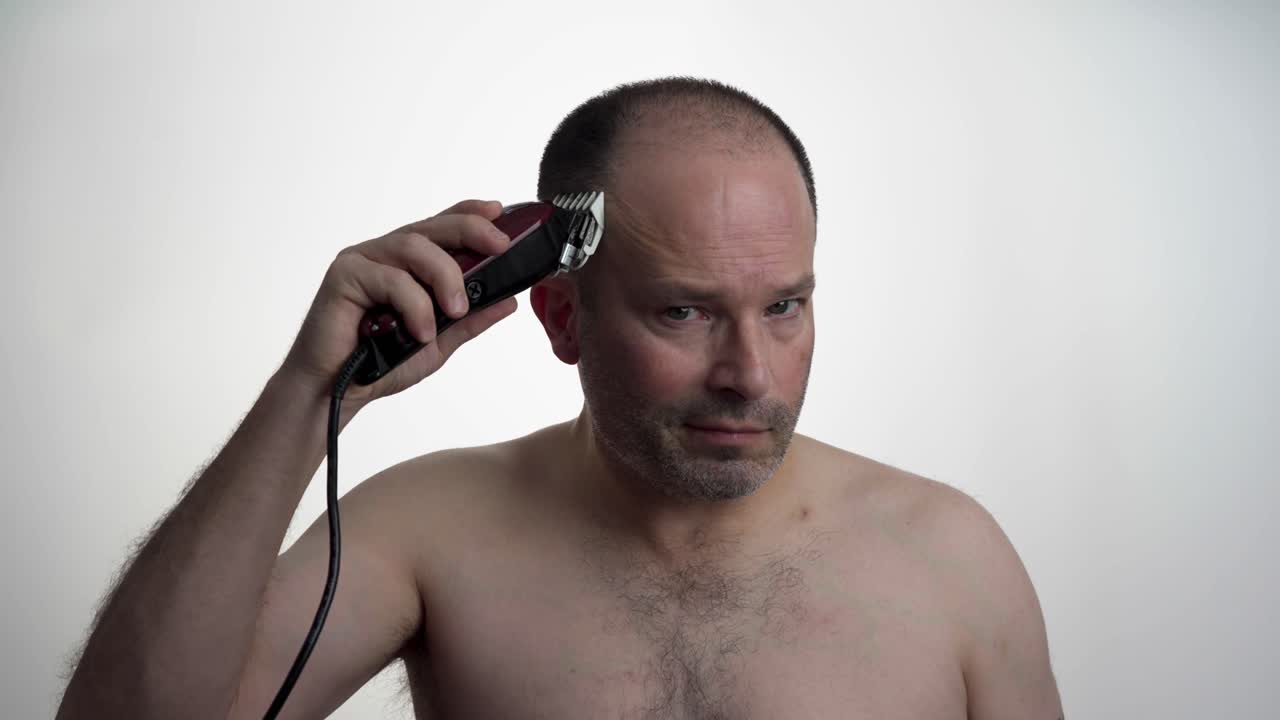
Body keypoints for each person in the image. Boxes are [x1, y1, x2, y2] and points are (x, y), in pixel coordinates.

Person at [57, 77, 1064, 719]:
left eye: (785, 306)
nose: (750, 375)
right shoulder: (432, 534)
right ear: (560, 316)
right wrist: (306, 393)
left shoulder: (947, 555)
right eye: (682, 312)